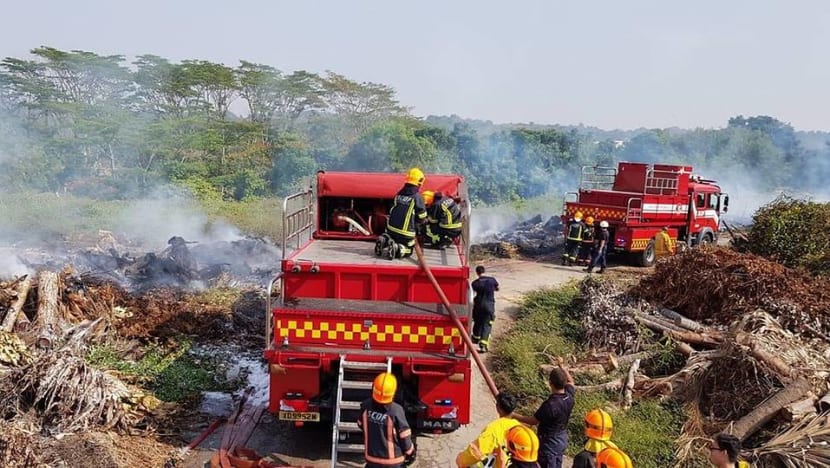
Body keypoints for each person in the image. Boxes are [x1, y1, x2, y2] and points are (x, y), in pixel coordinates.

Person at [513, 365, 576, 468]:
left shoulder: (551, 404)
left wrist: (515, 416)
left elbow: (533, 421)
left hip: (549, 443)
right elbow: (572, 383)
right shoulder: (569, 396)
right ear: (564, 383)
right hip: (561, 438)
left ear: (550, 383)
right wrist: (563, 368)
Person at [357, 372, 416, 468]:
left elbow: (360, 424)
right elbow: (404, 436)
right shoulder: (396, 410)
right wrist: (411, 452)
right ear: (393, 392)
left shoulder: (365, 406)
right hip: (394, 462)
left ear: (373, 388)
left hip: (372, 460)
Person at [455, 392, 521, 468]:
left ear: (498, 408)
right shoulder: (518, 426)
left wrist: (461, 460)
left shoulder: (494, 429)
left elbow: (477, 451)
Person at [379, 168, 428, 259]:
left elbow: (393, 208)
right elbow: (422, 215)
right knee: (409, 248)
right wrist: (420, 223)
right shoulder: (417, 197)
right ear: (420, 182)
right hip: (406, 232)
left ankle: (384, 240)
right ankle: (398, 249)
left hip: (391, 229)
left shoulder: (399, 194)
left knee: (393, 237)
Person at [471, 265, 499, 353]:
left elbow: (472, 293)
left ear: (477, 272)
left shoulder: (475, 283)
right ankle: (483, 345)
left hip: (478, 306)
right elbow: (497, 288)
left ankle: (475, 338)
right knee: (486, 325)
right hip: (489, 306)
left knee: (478, 321)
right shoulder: (492, 280)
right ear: (484, 271)